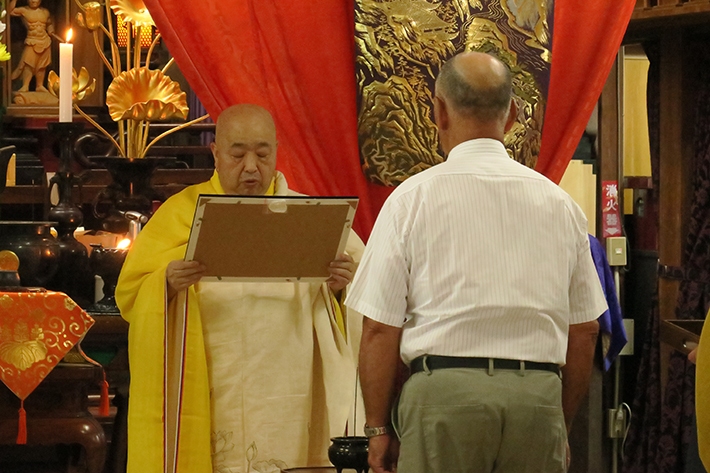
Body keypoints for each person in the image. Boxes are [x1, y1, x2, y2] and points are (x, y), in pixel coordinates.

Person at [345, 51, 608, 473]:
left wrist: (377, 428)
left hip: (443, 398)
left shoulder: (411, 200)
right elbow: (586, 330)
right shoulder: (560, 205)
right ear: (513, 115)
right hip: (536, 398)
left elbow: (378, 328)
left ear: (439, 111)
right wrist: (558, 420)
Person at [116, 104, 365, 473]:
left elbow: (370, 294)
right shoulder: (180, 214)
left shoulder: (312, 218)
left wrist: (342, 288)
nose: (251, 167)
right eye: (238, 155)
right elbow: (132, 293)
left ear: (277, 151)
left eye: (262, 154)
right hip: (214, 385)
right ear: (215, 153)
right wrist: (165, 283)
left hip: (292, 392)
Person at [8, 0, 53, 93]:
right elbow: (10, 11)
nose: (33, 1)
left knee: (42, 66)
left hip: (44, 40)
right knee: (28, 64)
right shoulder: (24, 10)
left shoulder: (45, 12)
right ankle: (25, 85)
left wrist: (50, 29)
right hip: (32, 40)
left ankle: (39, 85)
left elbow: (49, 23)